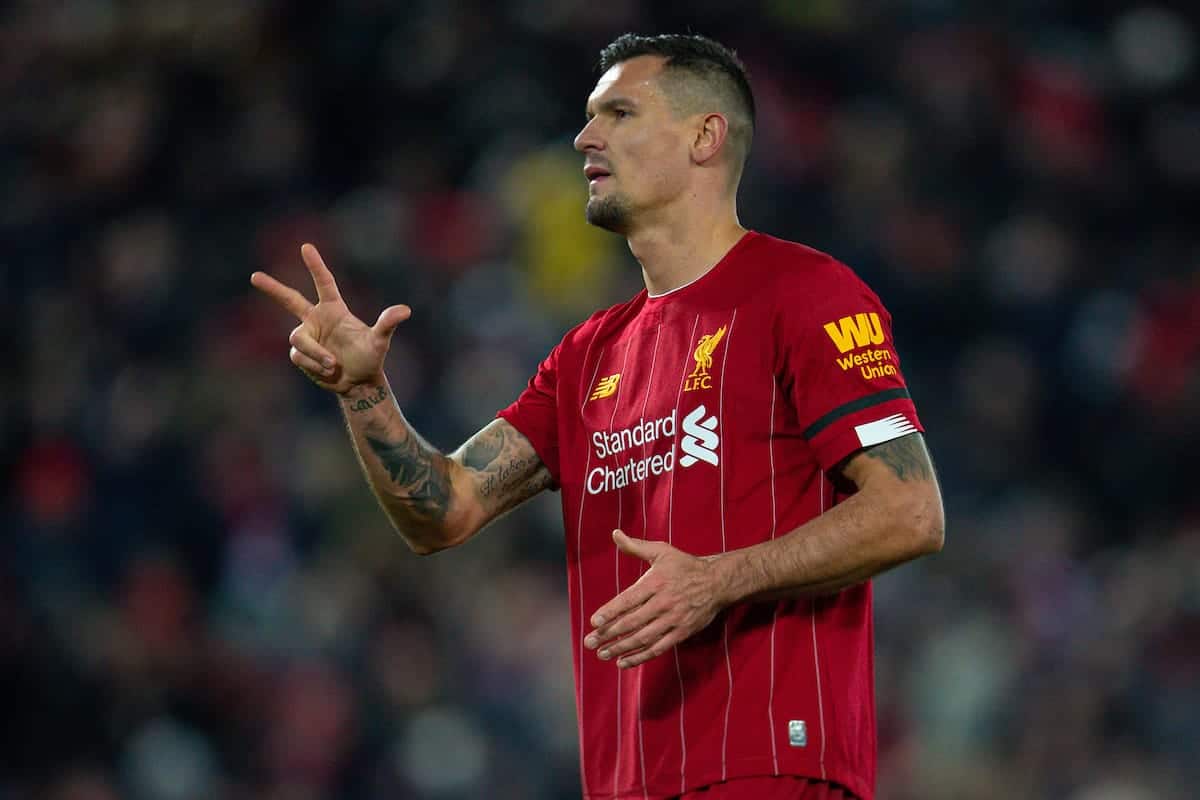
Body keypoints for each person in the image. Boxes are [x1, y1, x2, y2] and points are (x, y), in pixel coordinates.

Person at [251, 33, 944, 800]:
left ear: (705, 137)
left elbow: (911, 511)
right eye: (587, 116)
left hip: (767, 766)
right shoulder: (588, 356)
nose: (584, 137)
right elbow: (444, 510)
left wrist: (718, 580)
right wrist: (364, 392)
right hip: (626, 780)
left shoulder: (806, 293)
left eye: (619, 112)